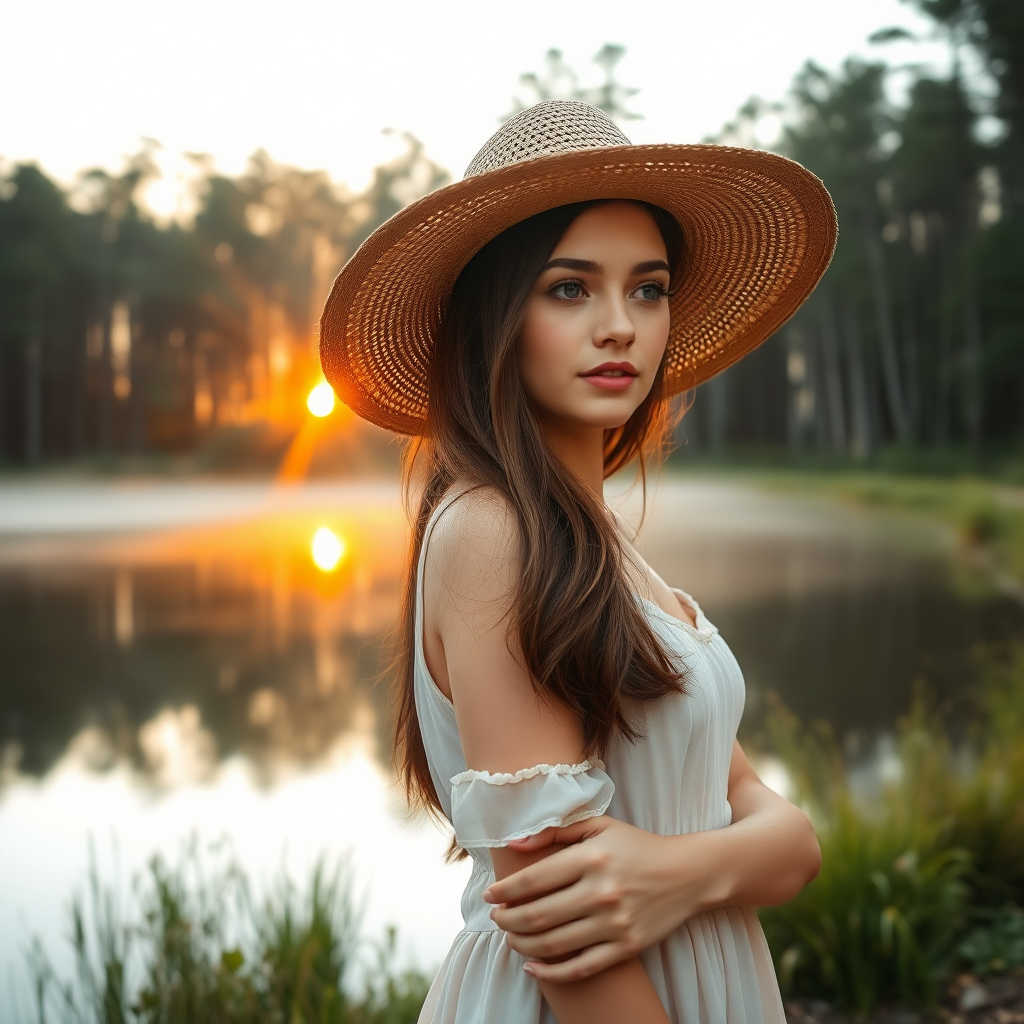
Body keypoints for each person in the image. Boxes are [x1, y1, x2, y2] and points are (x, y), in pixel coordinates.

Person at [320, 100, 837, 1024]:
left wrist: (676, 872)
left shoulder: (608, 558)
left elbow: (790, 842)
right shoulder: (492, 534)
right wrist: (722, 862)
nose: (621, 326)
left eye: (648, 288)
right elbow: (564, 939)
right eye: (570, 288)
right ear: (497, 317)